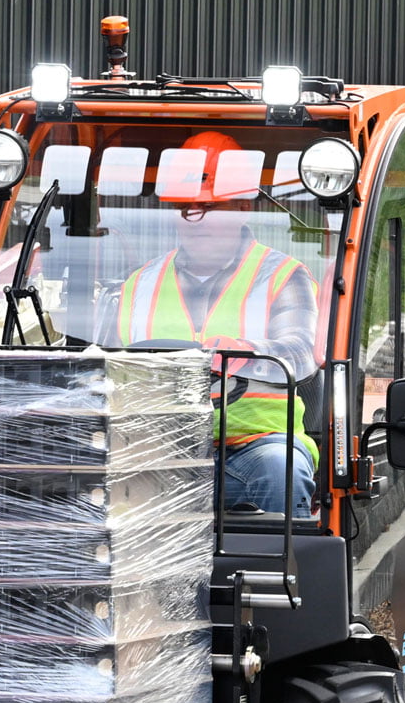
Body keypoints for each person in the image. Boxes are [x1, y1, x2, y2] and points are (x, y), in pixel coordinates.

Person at [104, 133, 320, 516]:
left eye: (209, 206)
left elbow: (302, 353)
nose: (195, 219)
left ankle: (282, 573)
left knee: (279, 469)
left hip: (252, 447)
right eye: (186, 207)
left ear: (243, 207)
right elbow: (106, 370)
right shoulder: (140, 284)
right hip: (159, 451)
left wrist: (245, 352)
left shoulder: (283, 277)